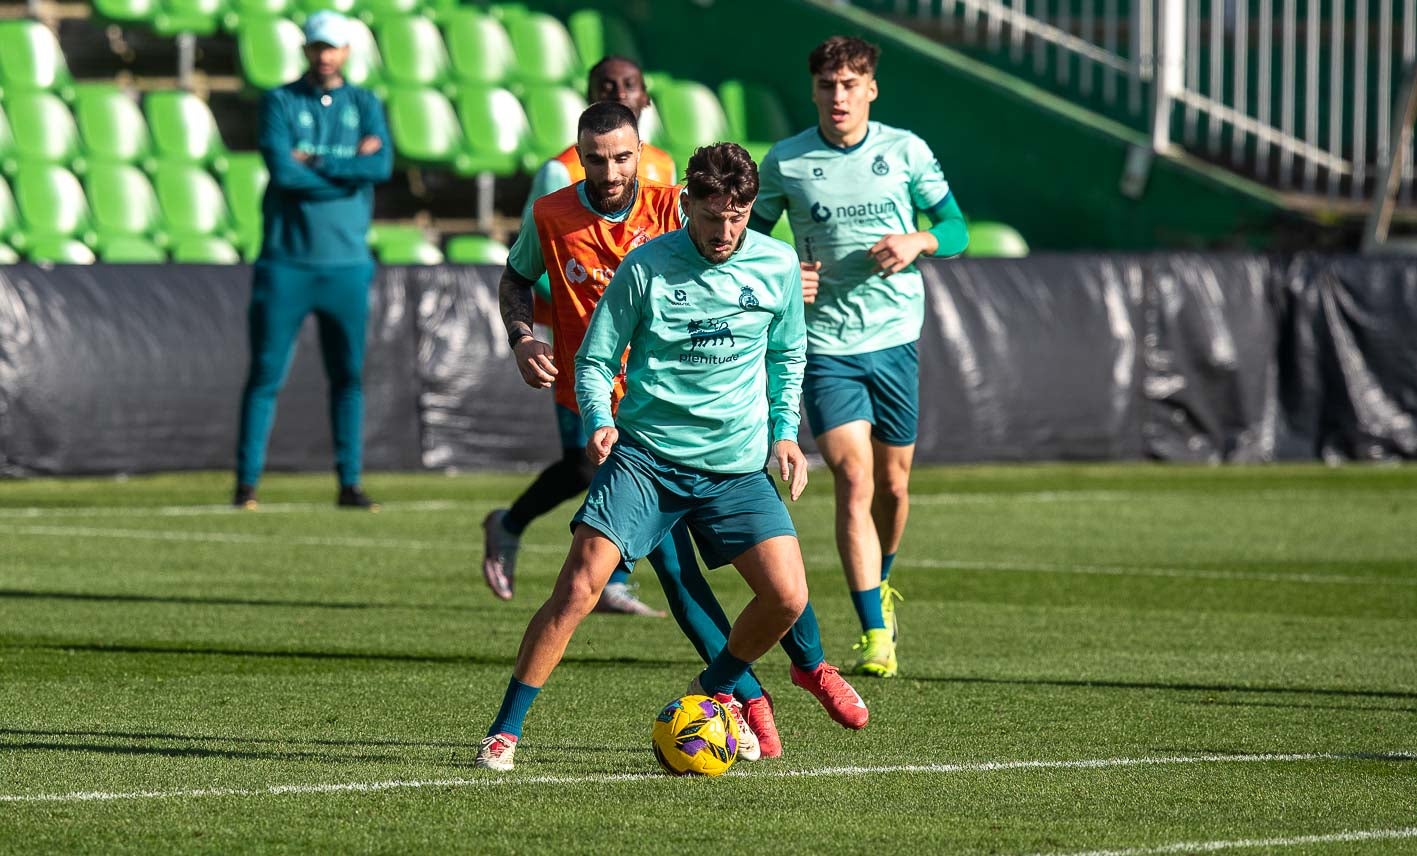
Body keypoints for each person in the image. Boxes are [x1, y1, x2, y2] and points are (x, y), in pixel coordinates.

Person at [483, 110, 867, 765]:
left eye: (738, 216)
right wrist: (600, 419)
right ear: (687, 205)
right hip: (645, 461)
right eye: (713, 216)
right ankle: (505, 730)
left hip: (735, 469)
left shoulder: (775, 268)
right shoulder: (645, 265)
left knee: (787, 595)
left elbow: (786, 356)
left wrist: (784, 435)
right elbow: (597, 357)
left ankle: (713, 690)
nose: (724, 231)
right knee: (578, 589)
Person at [750, 36, 969, 678]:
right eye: (827, 85)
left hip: (896, 338)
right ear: (813, 89)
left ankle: (883, 581)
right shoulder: (787, 160)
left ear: (871, 88)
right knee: (853, 478)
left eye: (850, 84)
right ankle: (875, 632)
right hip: (825, 347)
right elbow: (745, 244)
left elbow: (954, 225)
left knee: (894, 488)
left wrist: (919, 239)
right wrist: (787, 270)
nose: (838, 96)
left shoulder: (906, 151)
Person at [482, 55, 675, 615]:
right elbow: (533, 261)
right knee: (595, 461)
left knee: (599, 467)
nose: (610, 172)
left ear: (644, 98)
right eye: (608, 86)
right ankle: (608, 573)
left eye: (630, 85)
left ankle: (526, 529)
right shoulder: (556, 178)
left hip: (654, 370)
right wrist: (532, 335)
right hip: (580, 356)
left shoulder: (669, 180)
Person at [233, 10, 392, 511]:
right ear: (306, 50)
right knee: (265, 374)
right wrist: (350, 169)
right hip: (286, 263)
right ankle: (246, 484)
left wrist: (319, 161)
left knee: (348, 375)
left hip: (347, 264)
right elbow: (283, 172)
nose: (325, 55)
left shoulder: (366, 102)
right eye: (317, 46)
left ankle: (349, 482)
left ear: (346, 51)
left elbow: (381, 165)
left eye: (333, 46)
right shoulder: (280, 101)